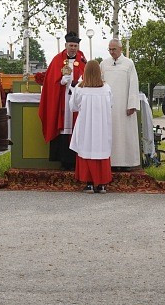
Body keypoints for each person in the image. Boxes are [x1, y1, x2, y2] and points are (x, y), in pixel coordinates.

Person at [38, 32, 87, 168]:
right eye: (71, 45)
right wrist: (60, 82)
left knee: (75, 128)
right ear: (65, 45)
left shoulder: (82, 60)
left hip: (76, 100)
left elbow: (87, 77)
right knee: (64, 128)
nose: (73, 48)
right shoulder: (57, 60)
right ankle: (63, 160)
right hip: (62, 100)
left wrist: (79, 83)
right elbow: (50, 82)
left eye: (75, 46)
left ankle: (76, 160)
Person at [70, 60, 113, 193]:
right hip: (102, 126)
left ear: (85, 72)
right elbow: (111, 104)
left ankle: (89, 183)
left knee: (86, 149)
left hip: (86, 125)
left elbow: (73, 107)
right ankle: (101, 185)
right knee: (101, 150)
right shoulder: (106, 88)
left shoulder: (80, 88)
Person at [100, 39, 141, 169]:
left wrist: (132, 104)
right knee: (110, 133)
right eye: (110, 49)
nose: (112, 52)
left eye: (114, 49)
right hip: (108, 106)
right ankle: (110, 162)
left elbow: (133, 84)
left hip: (124, 106)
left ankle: (126, 162)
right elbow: (100, 83)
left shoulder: (129, 64)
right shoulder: (104, 63)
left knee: (125, 133)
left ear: (120, 49)